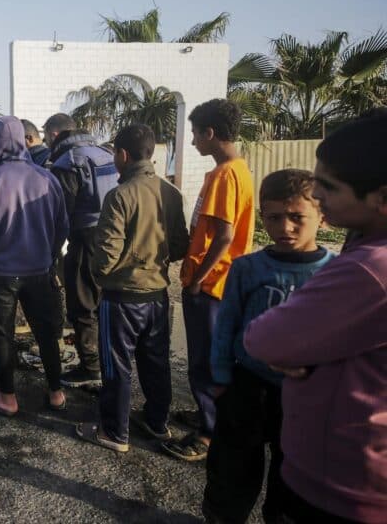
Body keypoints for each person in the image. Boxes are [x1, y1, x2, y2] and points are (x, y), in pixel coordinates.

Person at [243, 109, 387, 524]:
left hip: (341, 481)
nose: (317, 195)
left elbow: (264, 339)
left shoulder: (368, 269)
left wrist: (295, 349)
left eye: (329, 186)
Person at [203, 169, 334, 523]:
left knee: (290, 473)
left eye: (297, 217)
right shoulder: (247, 268)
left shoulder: (335, 272)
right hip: (247, 385)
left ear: (321, 217)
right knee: (232, 469)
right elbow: (226, 324)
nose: (286, 227)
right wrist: (220, 378)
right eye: (275, 218)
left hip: (303, 393)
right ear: (263, 218)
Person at [74, 124, 189, 453]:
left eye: (115, 154)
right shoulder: (170, 192)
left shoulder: (120, 194)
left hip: (123, 299)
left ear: (122, 155)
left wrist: (100, 274)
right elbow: (181, 245)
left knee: (116, 367)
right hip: (158, 296)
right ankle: (156, 423)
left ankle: (114, 432)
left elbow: (106, 255)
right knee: (156, 363)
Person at [163, 98, 255, 461]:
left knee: (205, 360)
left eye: (195, 134)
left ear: (210, 133)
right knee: (212, 356)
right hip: (223, 281)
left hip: (213, 283)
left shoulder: (225, 175)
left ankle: (209, 432)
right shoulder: (236, 170)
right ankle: (208, 415)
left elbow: (224, 237)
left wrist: (198, 279)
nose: (193, 142)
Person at [0, 116, 70, 417]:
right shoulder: (47, 179)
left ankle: (7, 398)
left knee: (2, 335)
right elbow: (61, 227)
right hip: (39, 270)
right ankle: (56, 393)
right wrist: (48, 255)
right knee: (46, 333)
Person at [44, 113, 119, 389]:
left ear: (54, 135)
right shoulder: (105, 154)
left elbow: (61, 216)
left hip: (86, 240)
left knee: (82, 303)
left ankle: (91, 367)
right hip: (115, 238)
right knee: (106, 302)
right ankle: (111, 362)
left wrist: (51, 254)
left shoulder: (68, 163)